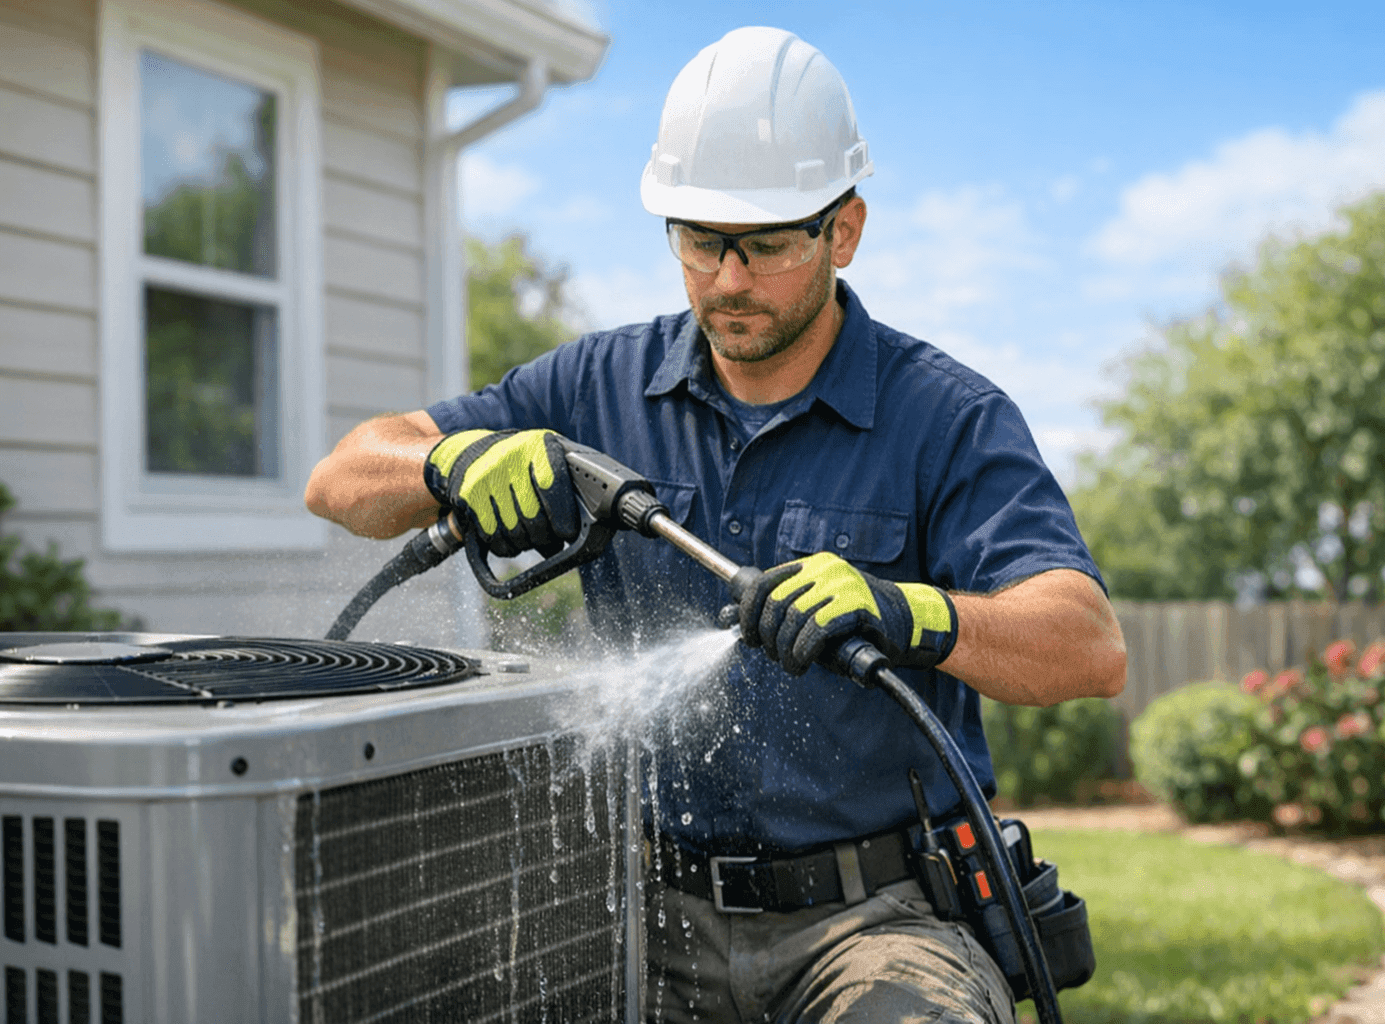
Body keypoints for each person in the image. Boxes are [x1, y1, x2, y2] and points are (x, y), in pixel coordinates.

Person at [306, 26, 1126, 1024]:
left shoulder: (946, 417)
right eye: (700, 241)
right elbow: (341, 477)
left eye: (768, 244)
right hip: (638, 910)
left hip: (877, 919)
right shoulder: (591, 387)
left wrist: (909, 610)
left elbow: (1085, 644)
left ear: (845, 230)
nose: (729, 280)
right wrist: (451, 460)